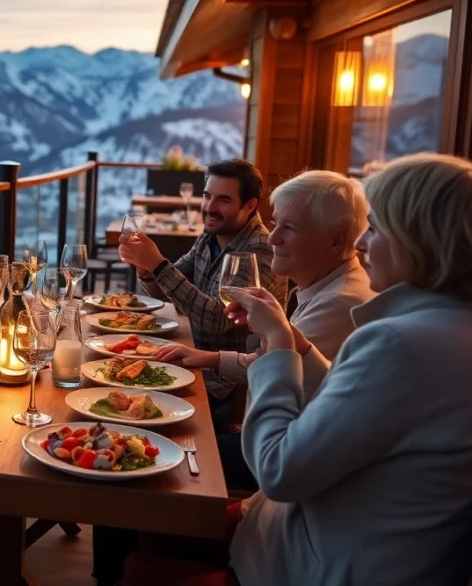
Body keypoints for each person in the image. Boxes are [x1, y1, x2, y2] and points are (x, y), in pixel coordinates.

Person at [225, 154, 472, 585]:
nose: (362, 242)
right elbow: (354, 412)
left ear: (421, 240)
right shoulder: (467, 333)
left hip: (307, 568)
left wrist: (276, 348)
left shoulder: (403, 344)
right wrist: (298, 344)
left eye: (379, 227)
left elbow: (277, 471)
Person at [155, 170, 375, 490]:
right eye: (275, 224)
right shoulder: (324, 287)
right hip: (271, 436)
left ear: (337, 239)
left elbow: (285, 385)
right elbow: (278, 366)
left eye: (290, 228)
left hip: (285, 458)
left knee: (151, 458)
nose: (272, 238)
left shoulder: (339, 304)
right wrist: (209, 357)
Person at [118, 158, 288, 409]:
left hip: (228, 386)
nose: (210, 207)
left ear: (250, 205)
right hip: (192, 356)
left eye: (224, 200)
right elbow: (170, 292)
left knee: (127, 393)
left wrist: (158, 265)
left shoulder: (260, 250)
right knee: (118, 370)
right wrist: (145, 268)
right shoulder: (211, 235)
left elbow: (219, 319)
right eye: (207, 196)